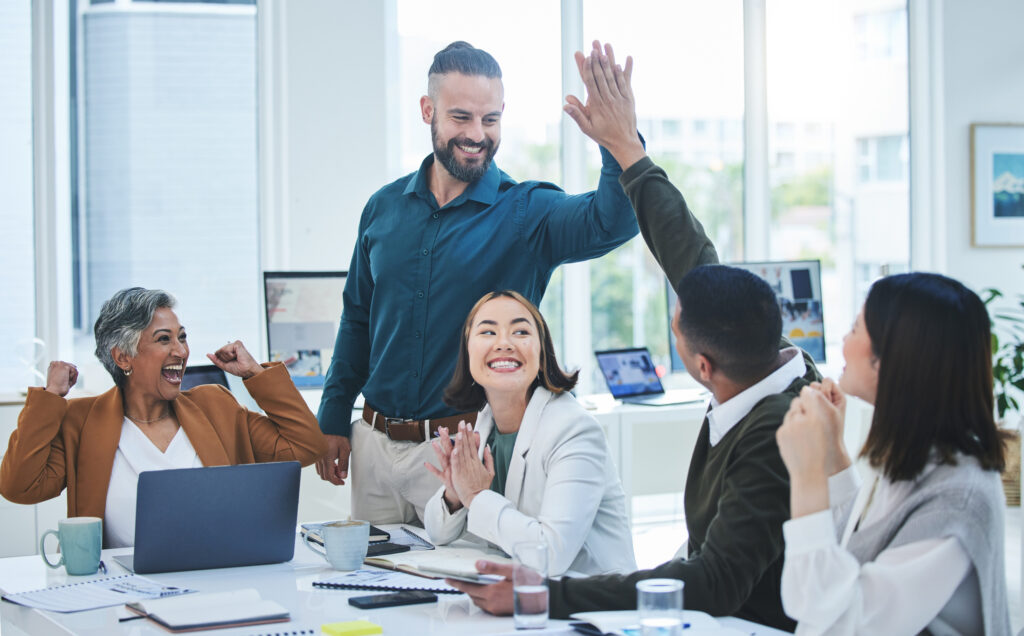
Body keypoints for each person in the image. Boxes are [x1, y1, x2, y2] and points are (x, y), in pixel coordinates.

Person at [446, 46, 818, 631]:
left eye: (518, 328)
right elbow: (692, 258)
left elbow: (714, 582)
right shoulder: (762, 360)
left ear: (698, 364)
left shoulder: (776, 430)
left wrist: (547, 594)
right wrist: (626, 148)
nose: (502, 343)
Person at [314, 40, 646, 524]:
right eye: (461, 117)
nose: (476, 135)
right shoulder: (383, 208)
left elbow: (610, 221)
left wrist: (619, 141)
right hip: (372, 448)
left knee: (451, 597)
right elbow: (358, 318)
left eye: (490, 120)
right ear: (428, 110)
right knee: (367, 591)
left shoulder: (526, 212)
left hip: (461, 453)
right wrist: (333, 412)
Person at [775, 273, 1011, 635]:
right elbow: (852, 552)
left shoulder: (959, 499)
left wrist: (806, 475)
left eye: (855, 329)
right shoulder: (916, 450)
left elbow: (835, 618)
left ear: (887, 362)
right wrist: (832, 454)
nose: (843, 340)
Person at [0, 287, 327, 548]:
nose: (181, 351)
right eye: (164, 339)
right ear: (123, 356)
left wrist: (256, 374)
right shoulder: (81, 420)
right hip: (121, 592)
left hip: (220, 578)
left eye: (182, 337)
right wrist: (50, 399)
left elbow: (306, 446)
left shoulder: (215, 405)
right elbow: (20, 487)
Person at [421, 291, 636, 577]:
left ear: (542, 352)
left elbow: (550, 555)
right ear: (468, 352)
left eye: (521, 331)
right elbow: (437, 534)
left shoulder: (574, 430)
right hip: (520, 596)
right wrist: (454, 494)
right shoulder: (485, 423)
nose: (504, 343)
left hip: (588, 603)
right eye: (487, 331)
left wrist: (474, 494)